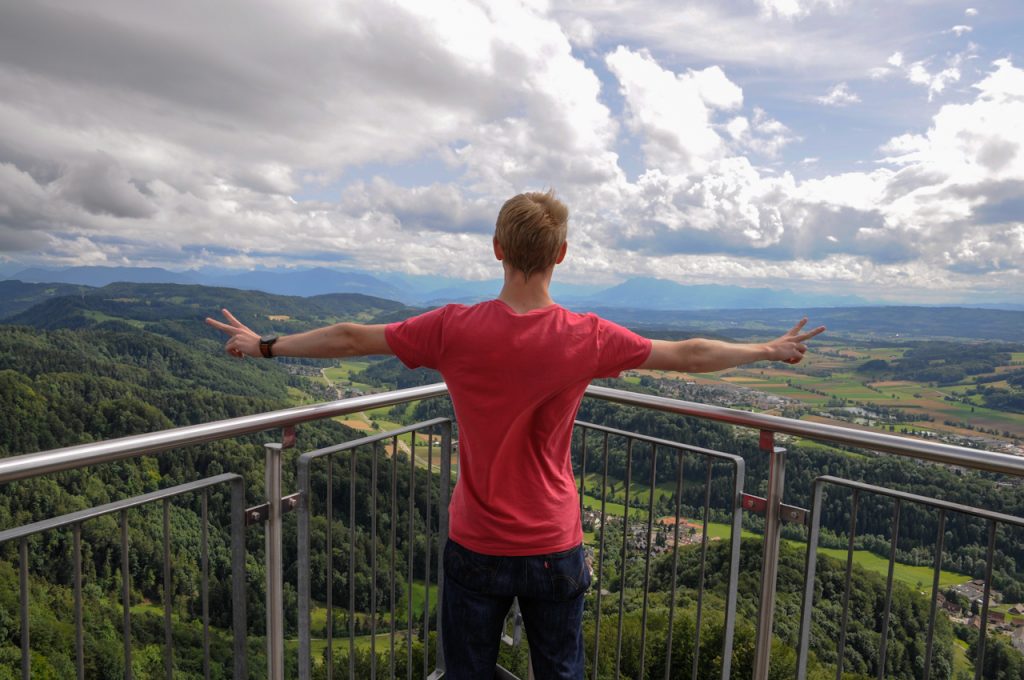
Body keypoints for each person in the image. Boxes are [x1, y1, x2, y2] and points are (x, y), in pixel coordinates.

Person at [206, 190, 824, 679]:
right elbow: (688, 353)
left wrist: (264, 345)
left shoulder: (453, 327)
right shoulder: (587, 336)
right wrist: (768, 349)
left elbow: (348, 336)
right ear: (561, 254)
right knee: (561, 669)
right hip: (555, 541)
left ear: (496, 247)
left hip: (476, 541)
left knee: (466, 672)